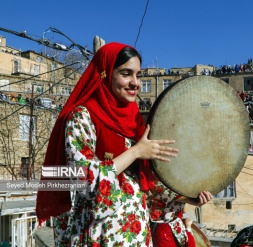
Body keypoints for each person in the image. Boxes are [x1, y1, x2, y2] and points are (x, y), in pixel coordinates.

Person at [36, 43, 212, 246]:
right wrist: (135, 152)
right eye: (126, 74)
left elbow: (144, 186)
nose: (135, 83)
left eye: (138, 75)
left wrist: (188, 198)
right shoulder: (82, 117)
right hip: (98, 235)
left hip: (135, 235)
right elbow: (83, 178)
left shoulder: (134, 122)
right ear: (105, 74)